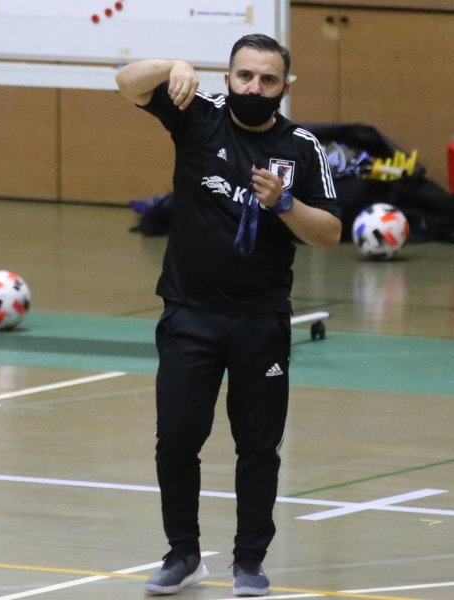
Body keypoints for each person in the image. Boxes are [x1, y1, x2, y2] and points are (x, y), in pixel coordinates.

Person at [116, 34, 341, 596]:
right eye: (245, 76)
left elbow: (332, 234)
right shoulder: (198, 116)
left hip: (260, 321)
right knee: (176, 438)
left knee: (257, 447)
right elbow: (126, 82)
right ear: (227, 78)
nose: (254, 88)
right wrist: (173, 63)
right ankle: (183, 554)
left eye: (267, 80)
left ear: (285, 87)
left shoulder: (303, 147)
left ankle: (249, 562)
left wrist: (284, 204)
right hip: (190, 313)